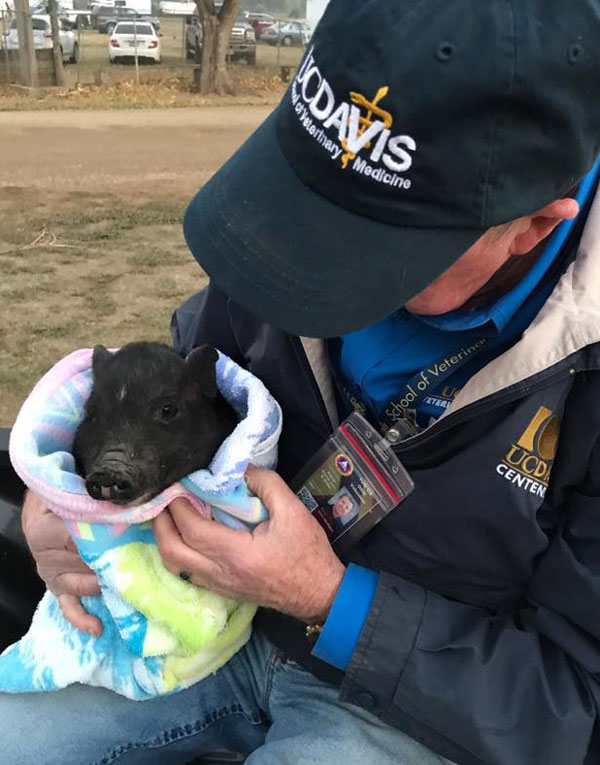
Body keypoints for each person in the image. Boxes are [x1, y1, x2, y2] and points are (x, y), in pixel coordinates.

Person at [3, 0, 600, 763]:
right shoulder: (296, 235)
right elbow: (186, 388)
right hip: (208, 624)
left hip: (414, 707)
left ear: (535, 227)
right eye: (313, 210)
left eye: (380, 249)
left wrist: (331, 600)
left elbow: (574, 705)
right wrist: (68, 502)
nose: (314, 266)